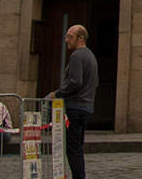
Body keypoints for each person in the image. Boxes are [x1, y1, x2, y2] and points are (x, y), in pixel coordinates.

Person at [48, 24, 98, 179]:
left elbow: (75, 82)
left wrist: (56, 94)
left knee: (73, 149)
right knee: (77, 147)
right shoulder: (90, 56)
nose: (66, 40)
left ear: (80, 38)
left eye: (70, 37)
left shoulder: (77, 56)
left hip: (75, 108)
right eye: (66, 36)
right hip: (86, 108)